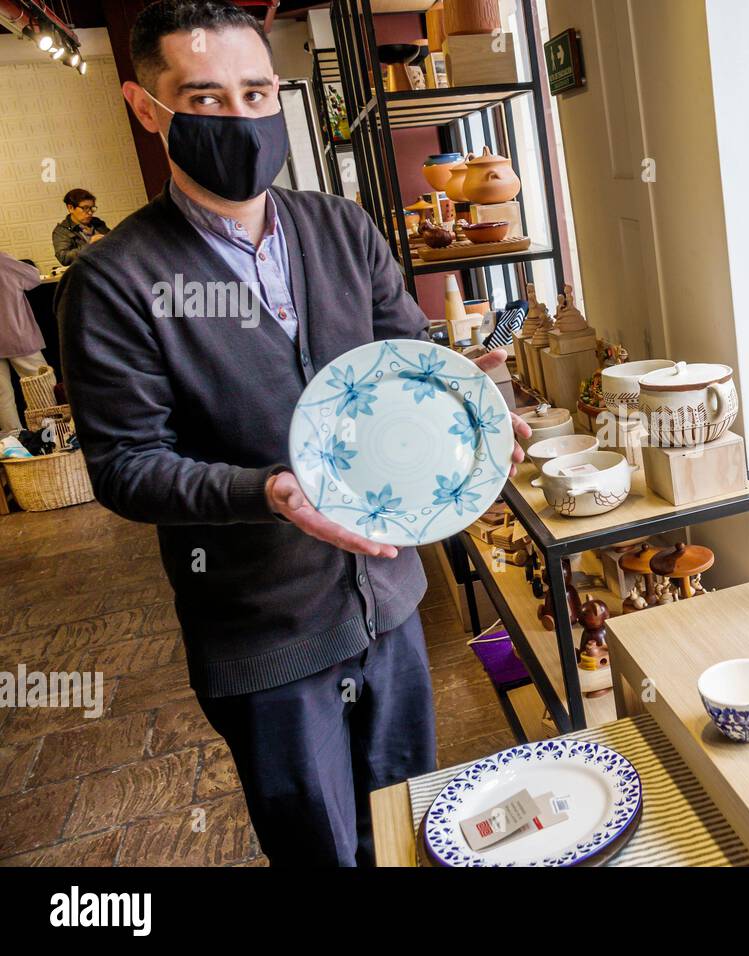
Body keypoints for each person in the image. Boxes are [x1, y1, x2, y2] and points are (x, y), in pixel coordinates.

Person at [56, 0, 528, 866]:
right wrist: (265, 490)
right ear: (144, 106)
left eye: (256, 92)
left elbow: (407, 365)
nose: (240, 120)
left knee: (404, 828)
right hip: (266, 636)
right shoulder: (116, 280)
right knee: (322, 850)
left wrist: (473, 414)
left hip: (387, 606)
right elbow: (126, 467)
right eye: (205, 99)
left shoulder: (341, 230)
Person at [0, 250, 50, 434]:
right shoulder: (3, 260)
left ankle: (15, 440)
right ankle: (51, 435)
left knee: (2, 396)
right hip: (16, 334)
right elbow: (34, 277)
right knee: (40, 386)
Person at [52, 189, 111, 267]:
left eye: (92, 208)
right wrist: (89, 245)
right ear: (71, 208)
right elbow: (64, 258)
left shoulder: (97, 222)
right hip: (86, 273)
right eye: (85, 208)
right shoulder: (62, 230)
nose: (90, 213)